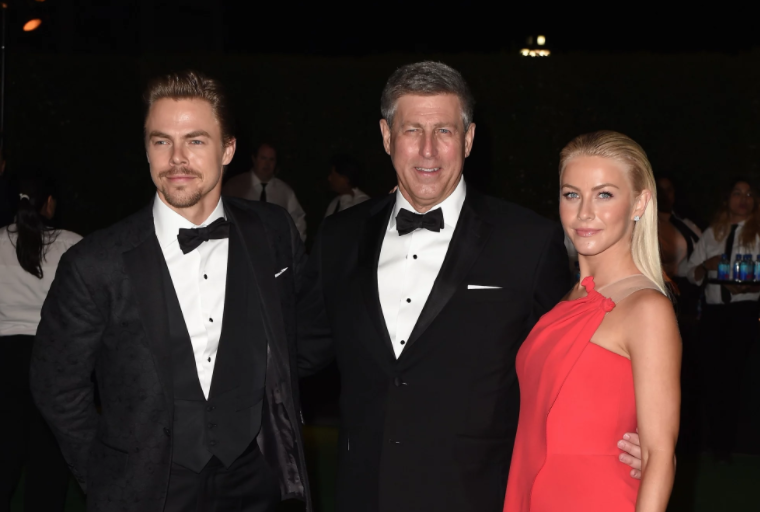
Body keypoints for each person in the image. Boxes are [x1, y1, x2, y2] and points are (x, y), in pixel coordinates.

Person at [296, 61, 643, 512]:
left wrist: (636, 430)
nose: (428, 150)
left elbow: (571, 355)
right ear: (386, 136)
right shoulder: (339, 238)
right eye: (412, 130)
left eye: (444, 131)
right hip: (364, 492)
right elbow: (296, 351)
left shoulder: (527, 241)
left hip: (477, 494)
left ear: (469, 139)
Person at [30, 71, 311, 512]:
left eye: (195, 140)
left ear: (228, 150)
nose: (177, 158)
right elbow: (56, 384)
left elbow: (308, 330)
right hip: (147, 490)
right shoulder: (95, 262)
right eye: (161, 141)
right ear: (147, 149)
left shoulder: (273, 231)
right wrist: (106, 472)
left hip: (254, 479)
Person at [504, 131, 681, 512]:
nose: (584, 212)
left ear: (639, 203)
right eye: (572, 194)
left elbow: (658, 455)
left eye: (604, 195)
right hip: (538, 496)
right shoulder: (567, 299)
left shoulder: (646, 309)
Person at [0, 175, 80, 512]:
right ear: (48, 203)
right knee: (48, 462)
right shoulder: (72, 244)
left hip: (4, 360)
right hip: (53, 360)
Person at [684, 178, 760, 462]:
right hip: (714, 314)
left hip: (745, 312)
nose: (743, 199)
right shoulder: (712, 233)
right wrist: (707, 265)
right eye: (737, 193)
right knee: (710, 377)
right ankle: (713, 443)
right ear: (727, 199)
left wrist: (751, 285)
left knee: (736, 378)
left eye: (749, 194)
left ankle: (732, 445)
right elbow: (689, 272)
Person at [223, 141, 307, 241]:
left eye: (271, 159)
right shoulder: (235, 186)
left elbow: (298, 221)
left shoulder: (285, 192)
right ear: (254, 159)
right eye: (263, 158)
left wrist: (293, 246)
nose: (267, 164)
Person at [656, 175, 701, 279]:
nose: (665, 195)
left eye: (669, 190)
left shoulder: (685, 221)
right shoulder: (652, 227)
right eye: (660, 191)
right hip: (673, 282)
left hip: (697, 280)